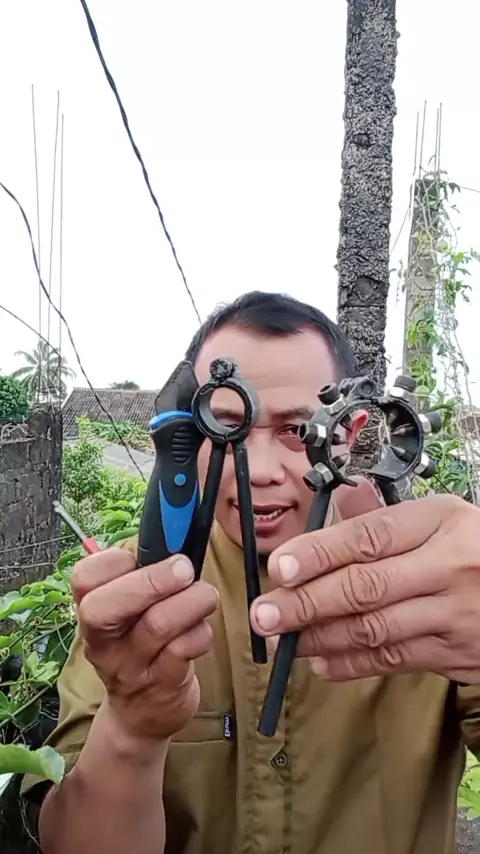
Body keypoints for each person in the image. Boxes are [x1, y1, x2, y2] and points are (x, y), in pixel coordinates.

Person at [23, 291, 480, 854]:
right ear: (191, 431)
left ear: (350, 431)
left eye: (297, 431)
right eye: (228, 429)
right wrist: (132, 725)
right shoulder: (135, 594)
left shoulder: (437, 582)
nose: (260, 471)